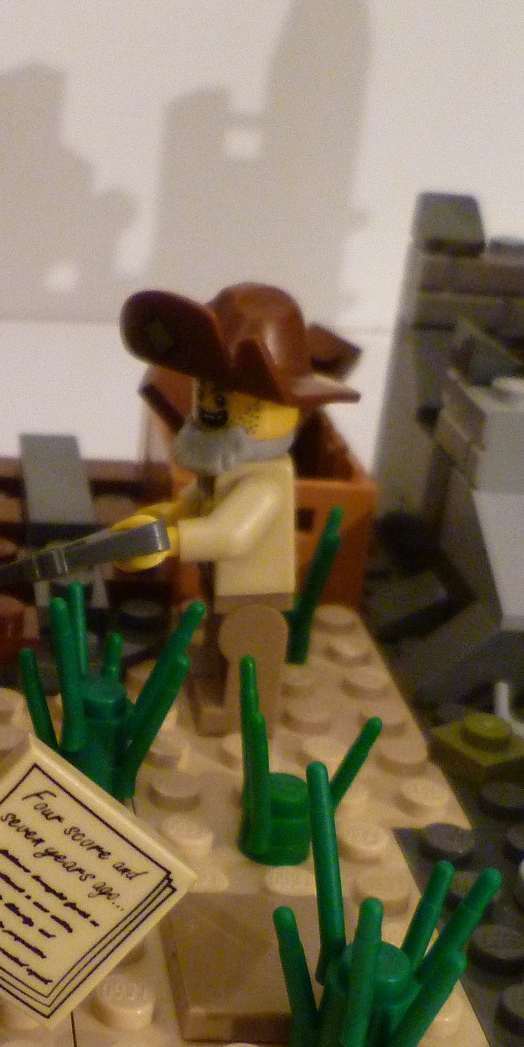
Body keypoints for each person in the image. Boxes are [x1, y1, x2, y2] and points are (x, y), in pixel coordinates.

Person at [116, 283, 358, 733]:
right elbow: (199, 502)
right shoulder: (228, 470)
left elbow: (229, 534)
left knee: (248, 650)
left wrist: (168, 540)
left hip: (255, 591)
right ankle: (214, 681)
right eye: (208, 398)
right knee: (219, 638)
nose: (212, 411)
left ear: (287, 410)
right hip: (223, 582)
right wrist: (165, 516)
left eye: (234, 405)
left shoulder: (266, 482)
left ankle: (240, 712)